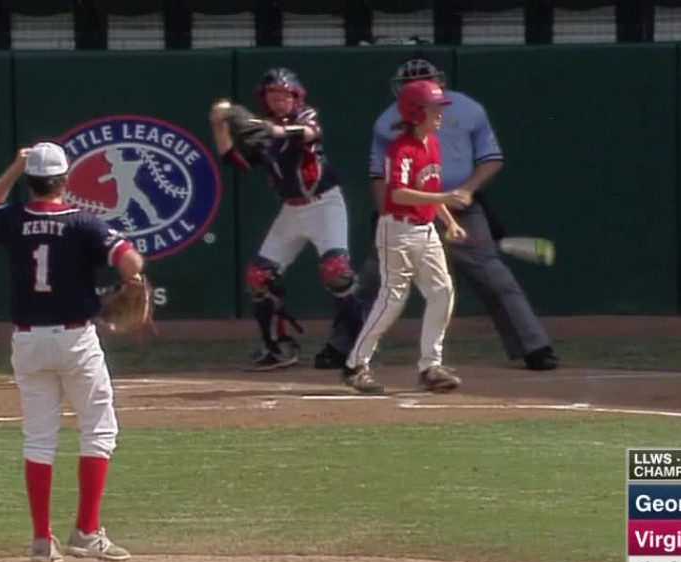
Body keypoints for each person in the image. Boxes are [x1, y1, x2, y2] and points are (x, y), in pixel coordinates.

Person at [317, 54, 559, 371]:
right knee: (375, 280)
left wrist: (466, 191)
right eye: (412, 84)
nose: (426, 94)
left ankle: (534, 347)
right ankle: (341, 347)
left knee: (493, 276)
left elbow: (491, 159)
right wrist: (387, 211)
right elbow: (381, 178)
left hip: (461, 209)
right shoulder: (388, 126)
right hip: (407, 215)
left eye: (427, 82)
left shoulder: (468, 110)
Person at [0, 142, 144, 562]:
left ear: (31, 181)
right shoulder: (84, 223)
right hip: (75, 340)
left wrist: (14, 166)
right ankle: (86, 531)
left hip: (28, 341)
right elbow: (130, 262)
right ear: (65, 180)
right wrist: (134, 280)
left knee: (39, 437)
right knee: (98, 428)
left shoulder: (13, 220)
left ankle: (41, 540)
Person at [209, 67, 364, 371]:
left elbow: (308, 133)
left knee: (336, 273)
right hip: (292, 210)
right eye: (273, 96)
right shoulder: (262, 133)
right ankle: (278, 348)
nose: (279, 102)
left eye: (285, 96)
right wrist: (219, 125)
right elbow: (232, 158)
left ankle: (362, 347)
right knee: (258, 278)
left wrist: (271, 129)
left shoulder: (304, 116)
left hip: (324, 204)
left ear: (296, 98)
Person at [342, 79, 469, 395]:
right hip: (397, 230)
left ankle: (430, 367)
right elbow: (398, 193)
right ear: (415, 111)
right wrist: (446, 197)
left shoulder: (432, 144)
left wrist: (450, 221)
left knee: (442, 292)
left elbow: (430, 190)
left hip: (426, 231)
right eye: (433, 108)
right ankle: (355, 365)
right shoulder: (402, 148)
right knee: (392, 298)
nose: (439, 113)